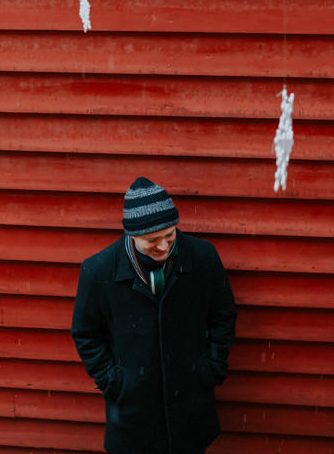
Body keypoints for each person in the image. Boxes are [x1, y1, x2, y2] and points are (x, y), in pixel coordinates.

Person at [71, 177, 237, 454]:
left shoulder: (203, 256)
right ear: (131, 235)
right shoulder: (98, 270)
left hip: (191, 402)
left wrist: (210, 367)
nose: (163, 247)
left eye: (170, 236)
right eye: (151, 240)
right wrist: (114, 381)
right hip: (132, 411)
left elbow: (223, 315)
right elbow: (86, 334)